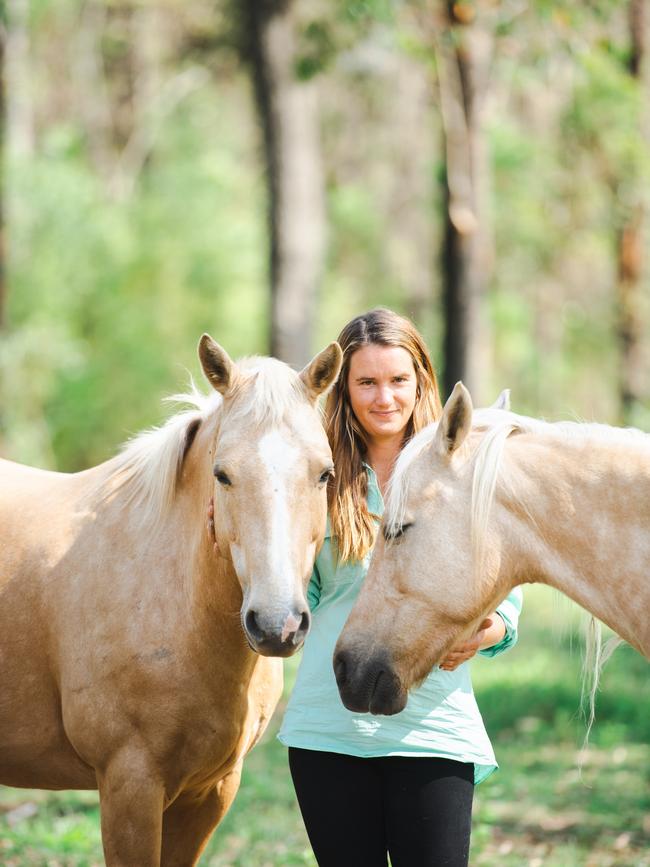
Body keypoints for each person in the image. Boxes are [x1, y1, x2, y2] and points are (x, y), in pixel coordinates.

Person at [277, 308, 523, 867]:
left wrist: (488, 629)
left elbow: (504, 589)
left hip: (433, 722)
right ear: (345, 388)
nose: (383, 397)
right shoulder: (319, 475)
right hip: (328, 724)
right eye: (366, 382)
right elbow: (302, 595)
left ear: (421, 382)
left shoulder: (459, 467)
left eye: (398, 380)